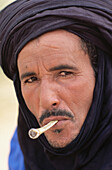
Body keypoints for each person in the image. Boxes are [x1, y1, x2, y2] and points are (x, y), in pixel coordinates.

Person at [0, 0, 112, 169]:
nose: (46, 100)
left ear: (102, 76)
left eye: (65, 74)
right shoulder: (22, 149)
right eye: (31, 79)